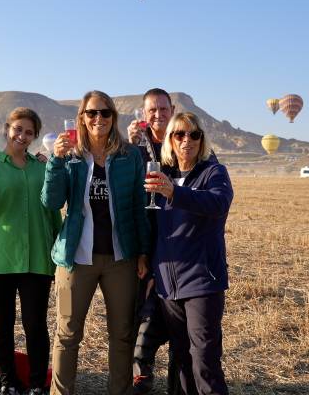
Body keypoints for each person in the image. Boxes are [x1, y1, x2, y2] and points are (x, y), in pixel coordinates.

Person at [42, 90, 150, 395]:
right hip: (73, 261)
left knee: (122, 333)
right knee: (66, 333)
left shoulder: (129, 156)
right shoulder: (71, 157)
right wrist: (55, 162)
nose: (98, 119)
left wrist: (142, 253)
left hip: (121, 260)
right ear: (82, 118)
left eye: (105, 113)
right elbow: (51, 202)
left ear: (113, 117)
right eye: (92, 113)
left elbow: (139, 206)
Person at [0, 108, 61, 395]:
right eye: (18, 129)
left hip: (37, 258)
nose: (22, 136)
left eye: (29, 132)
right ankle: (7, 381)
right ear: (7, 129)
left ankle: (36, 384)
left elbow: (53, 212)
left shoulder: (43, 168)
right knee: (2, 324)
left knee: (36, 324)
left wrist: (61, 247)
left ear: (35, 137)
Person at [144, 112, 233, 395]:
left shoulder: (213, 172)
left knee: (204, 358)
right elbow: (155, 226)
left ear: (202, 140)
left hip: (202, 280)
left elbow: (218, 203)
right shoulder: (163, 175)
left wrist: (175, 194)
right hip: (169, 284)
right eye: (179, 134)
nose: (187, 140)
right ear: (170, 140)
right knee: (181, 357)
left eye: (194, 134)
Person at [126, 88, 178, 395]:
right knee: (143, 309)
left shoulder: (185, 140)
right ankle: (140, 374)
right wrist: (130, 145)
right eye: (151, 110)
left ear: (172, 109)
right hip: (145, 237)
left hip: (176, 240)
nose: (157, 115)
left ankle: (177, 381)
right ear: (144, 115)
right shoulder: (138, 148)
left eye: (162, 109)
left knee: (176, 315)